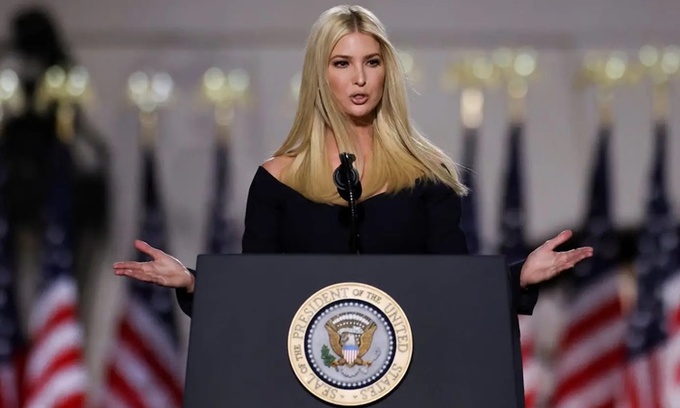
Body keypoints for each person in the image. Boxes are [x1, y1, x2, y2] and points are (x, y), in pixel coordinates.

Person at [113, 5, 592, 319]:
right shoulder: (277, 181)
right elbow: (257, 291)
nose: (359, 78)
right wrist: (192, 283)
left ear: (387, 72)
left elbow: (454, 285)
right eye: (342, 63)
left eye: (372, 62)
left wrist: (518, 277)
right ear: (320, 75)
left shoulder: (428, 176)